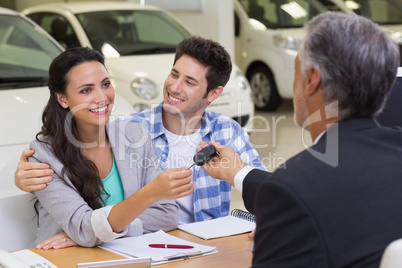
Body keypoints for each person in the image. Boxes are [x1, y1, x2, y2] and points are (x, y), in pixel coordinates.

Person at [199, 12, 402, 267]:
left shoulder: (293, 189)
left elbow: (301, 194)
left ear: (311, 80)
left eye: (296, 70)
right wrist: (239, 173)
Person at [15, 36, 266, 226]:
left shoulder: (227, 132)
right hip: (146, 247)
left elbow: (268, 195)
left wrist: (237, 174)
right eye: (174, 74)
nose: (174, 87)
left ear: (213, 94)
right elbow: (92, 205)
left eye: (189, 82)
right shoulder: (130, 131)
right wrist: (24, 179)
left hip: (210, 249)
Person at [26, 47, 194, 249]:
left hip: (126, 258)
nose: (101, 98)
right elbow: (84, 228)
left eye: (105, 84)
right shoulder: (43, 156)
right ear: (62, 99)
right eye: (86, 90)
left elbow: (167, 215)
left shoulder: (134, 135)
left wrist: (104, 233)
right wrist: (150, 193)